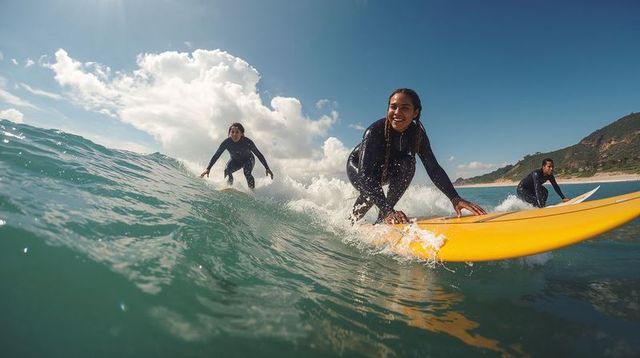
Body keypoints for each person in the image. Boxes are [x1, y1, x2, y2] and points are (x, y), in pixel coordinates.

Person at [347, 88, 486, 224]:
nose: (397, 112)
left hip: (386, 168)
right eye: (393, 107)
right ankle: (352, 223)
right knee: (370, 190)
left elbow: (433, 168)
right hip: (359, 166)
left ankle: (381, 220)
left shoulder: (417, 135)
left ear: (415, 112)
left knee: (408, 164)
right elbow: (366, 177)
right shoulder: (374, 131)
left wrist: (454, 198)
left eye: (405, 108)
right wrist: (389, 210)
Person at [200, 123, 273, 189]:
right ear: (229, 133)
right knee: (227, 170)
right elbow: (217, 155)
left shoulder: (248, 142)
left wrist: (267, 168)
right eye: (232, 132)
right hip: (235, 161)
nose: (234, 134)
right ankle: (228, 187)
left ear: (241, 133)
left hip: (248, 160)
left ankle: (252, 192)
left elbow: (258, 154)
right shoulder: (226, 143)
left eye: (237, 132)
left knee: (247, 172)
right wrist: (208, 169)